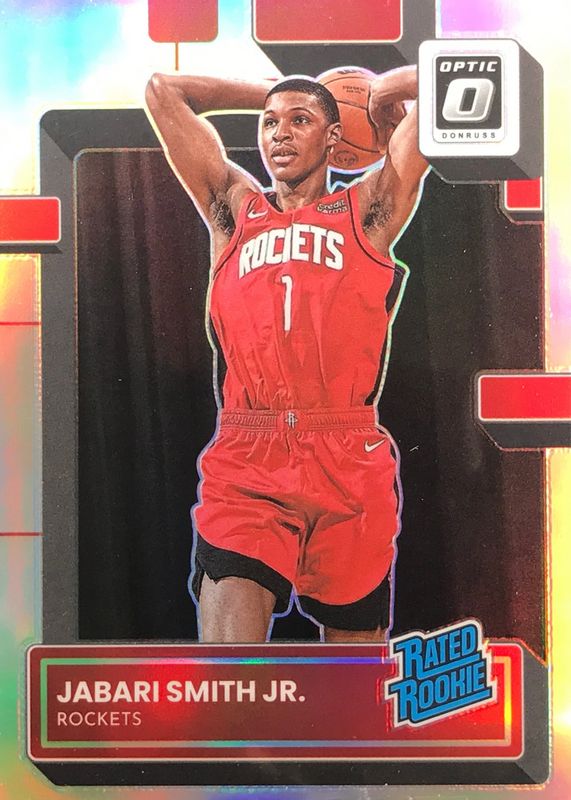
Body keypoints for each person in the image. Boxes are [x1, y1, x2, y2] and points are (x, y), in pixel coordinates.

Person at [145, 65, 428, 644]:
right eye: (270, 123)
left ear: (334, 136)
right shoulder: (232, 209)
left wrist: (378, 93)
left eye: (300, 121)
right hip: (249, 455)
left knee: (353, 690)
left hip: (347, 456)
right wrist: (284, 93)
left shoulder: (368, 210)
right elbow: (162, 91)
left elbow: (444, 86)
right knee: (230, 681)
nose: (279, 133)